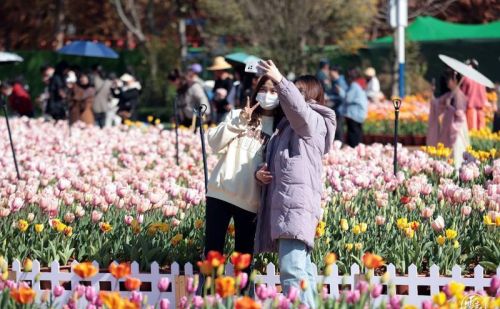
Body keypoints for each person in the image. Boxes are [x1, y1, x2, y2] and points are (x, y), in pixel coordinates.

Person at [254, 60, 336, 309]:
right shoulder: (287, 127)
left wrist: (280, 80)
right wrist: (262, 173)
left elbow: (299, 109)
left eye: (300, 90)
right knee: (302, 270)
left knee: (291, 271)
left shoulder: (313, 120)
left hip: (296, 206)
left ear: (311, 96)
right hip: (289, 205)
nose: (290, 93)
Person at [205, 75, 283, 288]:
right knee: (212, 255)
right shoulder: (238, 115)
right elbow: (213, 143)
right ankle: (210, 299)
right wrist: (240, 120)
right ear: (255, 90)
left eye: (273, 91)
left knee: (243, 258)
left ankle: (242, 300)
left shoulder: (280, 127)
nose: (268, 95)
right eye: (264, 89)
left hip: (251, 200)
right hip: (220, 192)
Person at [427, 71, 469, 168]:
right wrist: (432, 93)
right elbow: (437, 103)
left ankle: (457, 170)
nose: (447, 81)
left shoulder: (459, 95)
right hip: (447, 126)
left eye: (449, 79)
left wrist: (449, 107)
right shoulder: (450, 94)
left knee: (456, 150)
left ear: (454, 80)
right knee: (448, 151)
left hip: (456, 129)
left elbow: (460, 114)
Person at [339, 68, 368, 148]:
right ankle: (358, 150)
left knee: (353, 135)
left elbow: (348, 98)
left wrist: (340, 91)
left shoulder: (354, 85)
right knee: (358, 134)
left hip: (353, 114)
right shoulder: (360, 84)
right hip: (360, 114)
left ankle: (354, 150)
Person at [461, 59, 487, 130]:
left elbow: (462, 95)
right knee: (480, 134)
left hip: (470, 110)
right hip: (481, 111)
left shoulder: (466, 78)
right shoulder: (481, 79)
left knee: (471, 132)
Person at [207, 56, 233, 123]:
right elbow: (213, 92)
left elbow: (230, 94)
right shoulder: (217, 80)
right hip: (218, 108)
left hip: (226, 108)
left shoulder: (229, 80)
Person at [329, 66, 348, 141]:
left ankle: (340, 144)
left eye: (331, 72)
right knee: (337, 128)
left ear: (336, 72)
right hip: (337, 109)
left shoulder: (340, 82)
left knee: (339, 129)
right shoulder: (336, 81)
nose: (329, 73)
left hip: (340, 109)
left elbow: (343, 97)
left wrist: (330, 98)